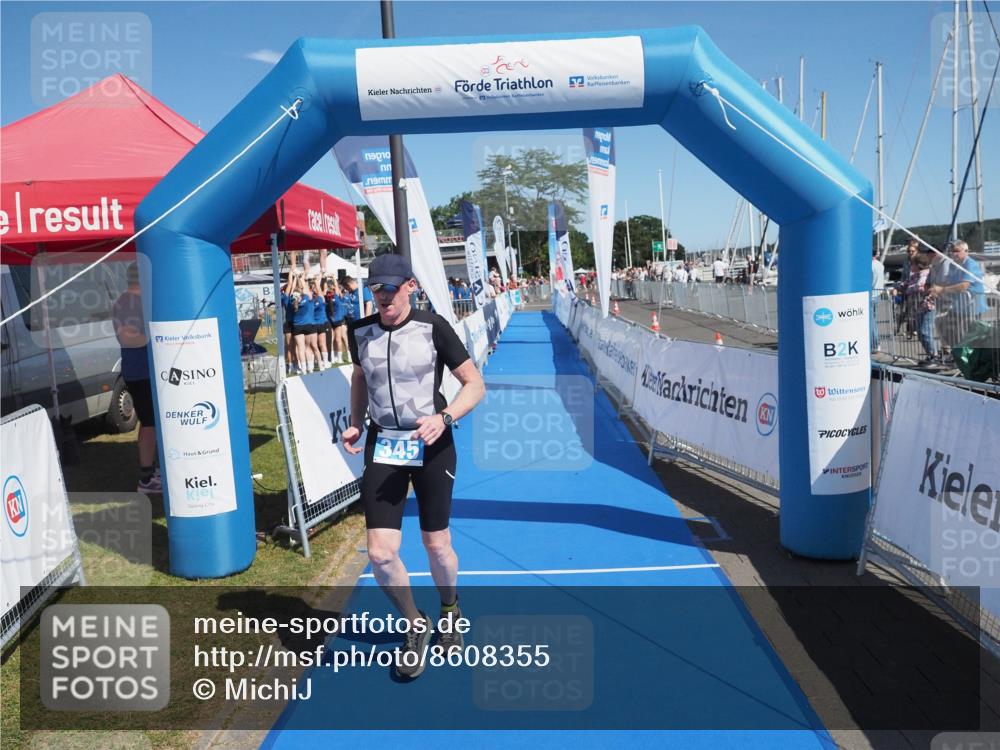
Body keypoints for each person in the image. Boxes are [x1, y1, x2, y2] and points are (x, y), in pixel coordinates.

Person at [341, 254, 485, 679]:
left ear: (409, 286)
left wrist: (445, 419)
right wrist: (354, 422)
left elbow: (474, 384)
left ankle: (449, 607)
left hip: (432, 444)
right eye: (376, 289)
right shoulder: (359, 331)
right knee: (381, 555)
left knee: (436, 544)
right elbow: (360, 378)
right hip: (384, 444)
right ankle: (414, 624)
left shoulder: (433, 326)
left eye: (391, 288)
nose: (383, 296)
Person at [112, 262, 160, 494]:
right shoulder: (127, 302)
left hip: (145, 371)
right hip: (140, 372)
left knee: (152, 423)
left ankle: (152, 471)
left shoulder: (134, 301)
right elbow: (125, 337)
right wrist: (154, 337)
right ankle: (146, 478)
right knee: (149, 424)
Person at [928, 240, 987, 356]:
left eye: (956, 251)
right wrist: (936, 288)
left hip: (972, 306)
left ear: (966, 251)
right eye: (952, 251)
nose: (953, 254)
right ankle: (951, 352)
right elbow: (949, 282)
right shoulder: (952, 265)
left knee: (966, 335)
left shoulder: (970, 264)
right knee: (940, 322)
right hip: (958, 306)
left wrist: (942, 289)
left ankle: (966, 359)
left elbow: (964, 286)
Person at [871, 248, 885, 353]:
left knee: (872, 322)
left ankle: (875, 344)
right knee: (873, 320)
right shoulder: (880, 264)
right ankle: (874, 343)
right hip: (878, 294)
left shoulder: (870, 266)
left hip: (871, 295)